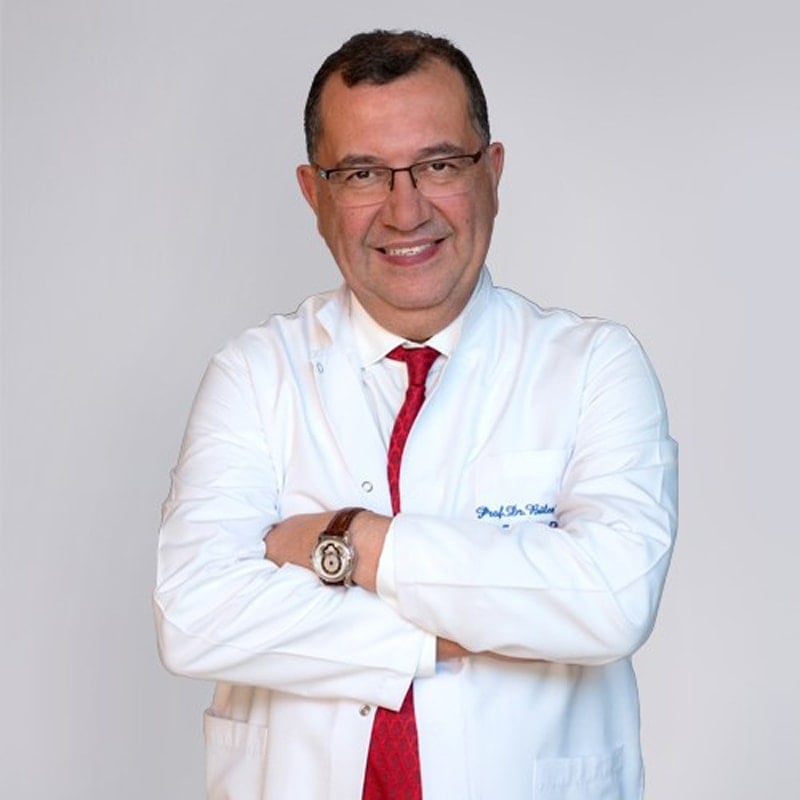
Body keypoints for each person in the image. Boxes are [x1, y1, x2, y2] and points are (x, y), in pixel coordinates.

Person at [154, 29, 678, 800]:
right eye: (363, 173)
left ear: (491, 172)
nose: (406, 211)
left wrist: (351, 541)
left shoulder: (594, 366)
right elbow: (195, 617)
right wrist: (463, 627)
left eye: (439, 165)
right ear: (315, 193)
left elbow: (611, 600)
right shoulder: (255, 375)